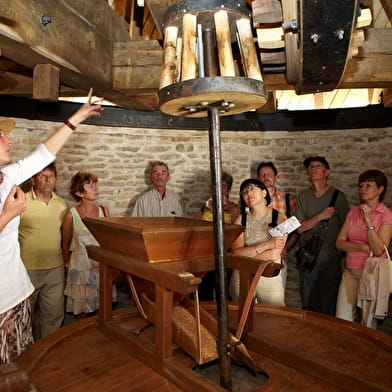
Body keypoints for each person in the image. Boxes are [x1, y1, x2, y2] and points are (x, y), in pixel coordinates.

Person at [0, 89, 103, 364]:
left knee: (23, 360)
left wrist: (76, 119)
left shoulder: (6, 177)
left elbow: (41, 155)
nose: (8, 139)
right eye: (1, 137)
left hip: (16, 291)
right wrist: (9, 215)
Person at [336, 169, 392, 327]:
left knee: (368, 322)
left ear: (380, 189)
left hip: (372, 274)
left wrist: (369, 222)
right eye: (361, 186)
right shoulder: (353, 212)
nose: (363, 189)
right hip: (350, 272)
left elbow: (380, 249)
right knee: (342, 318)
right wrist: (362, 247)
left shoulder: (386, 215)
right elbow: (339, 243)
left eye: (368, 185)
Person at [294, 156, 349, 316]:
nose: (313, 169)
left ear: (327, 172)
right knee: (308, 302)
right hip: (308, 258)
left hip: (331, 259)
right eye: (311, 167)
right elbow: (299, 228)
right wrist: (320, 216)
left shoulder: (338, 196)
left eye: (318, 166)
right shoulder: (303, 197)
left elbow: (348, 227)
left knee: (328, 304)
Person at [18, 162, 67, 340]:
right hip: (26, 269)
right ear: (33, 179)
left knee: (52, 316)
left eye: (51, 176)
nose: (47, 180)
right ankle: (25, 356)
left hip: (55, 269)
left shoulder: (61, 205)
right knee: (25, 316)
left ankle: (46, 355)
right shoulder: (21, 202)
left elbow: (65, 236)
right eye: (42, 176)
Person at [62, 172, 116, 318]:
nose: (95, 189)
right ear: (79, 193)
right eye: (90, 186)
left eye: (95, 185)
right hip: (80, 269)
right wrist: (66, 264)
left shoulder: (104, 211)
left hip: (101, 267)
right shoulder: (71, 215)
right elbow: (65, 244)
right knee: (82, 312)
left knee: (102, 308)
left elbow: (109, 242)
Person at [230, 179, 287, 305]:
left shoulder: (279, 218)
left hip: (268, 274)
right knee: (240, 316)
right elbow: (236, 253)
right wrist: (266, 245)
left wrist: (246, 255)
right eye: (244, 192)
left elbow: (274, 255)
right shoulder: (240, 221)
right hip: (242, 276)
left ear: (264, 193)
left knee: (274, 316)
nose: (249, 194)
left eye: (252, 189)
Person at [194, 172, 240, 301]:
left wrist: (233, 214)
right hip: (205, 254)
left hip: (226, 255)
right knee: (204, 289)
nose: (219, 189)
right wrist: (204, 210)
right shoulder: (205, 206)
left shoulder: (235, 208)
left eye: (223, 186)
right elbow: (195, 224)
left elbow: (238, 231)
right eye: (216, 186)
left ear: (229, 189)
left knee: (225, 290)